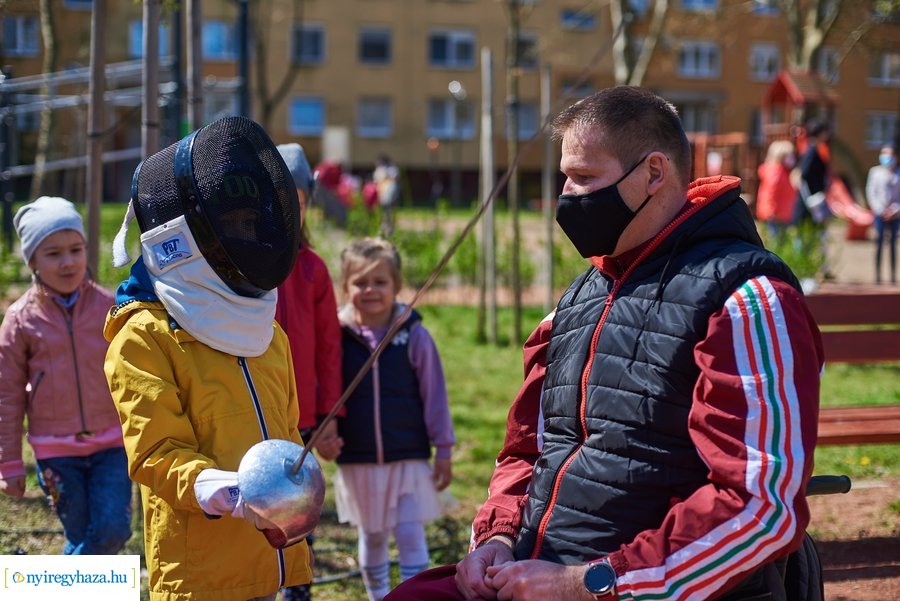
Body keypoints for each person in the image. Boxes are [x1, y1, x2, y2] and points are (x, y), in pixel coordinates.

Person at [387, 86, 824, 601]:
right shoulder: (577, 300)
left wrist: (590, 584)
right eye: (565, 177)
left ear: (653, 174)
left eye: (586, 178)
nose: (568, 195)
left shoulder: (747, 300)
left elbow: (759, 509)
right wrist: (498, 536)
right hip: (532, 570)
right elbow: (529, 449)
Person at [104, 116, 313, 601]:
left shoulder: (267, 331)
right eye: (232, 225)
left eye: (250, 222)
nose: (246, 236)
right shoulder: (143, 337)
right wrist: (217, 487)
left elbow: (287, 432)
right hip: (201, 571)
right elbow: (154, 452)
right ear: (186, 237)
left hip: (271, 557)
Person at [0, 196, 132, 556]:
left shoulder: (110, 307)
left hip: (111, 446)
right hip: (55, 452)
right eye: (53, 253)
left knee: (113, 532)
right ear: (32, 261)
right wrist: (10, 463)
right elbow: (7, 396)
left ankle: (48, 587)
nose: (68, 262)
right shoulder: (20, 320)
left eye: (75, 249)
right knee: (81, 534)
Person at [335, 237, 456, 601]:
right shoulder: (337, 336)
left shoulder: (413, 335)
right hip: (359, 457)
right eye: (360, 282)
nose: (370, 290)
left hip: (408, 457)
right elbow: (326, 389)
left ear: (397, 285)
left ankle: (411, 596)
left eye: (380, 281)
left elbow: (434, 395)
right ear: (345, 287)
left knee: (409, 532)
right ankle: (377, 595)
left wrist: (444, 448)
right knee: (371, 534)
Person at [275, 142, 344, 601]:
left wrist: (328, 416)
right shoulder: (236, 269)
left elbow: (327, 349)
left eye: (294, 203)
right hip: (249, 413)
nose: (284, 212)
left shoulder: (313, 271)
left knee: (298, 516)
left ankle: (297, 590)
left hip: (299, 419)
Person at [865, 145, 900, 284]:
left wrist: (895, 210)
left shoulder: (898, 174)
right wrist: (880, 209)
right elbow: (871, 192)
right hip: (879, 213)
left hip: (895, 215)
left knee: (893, 244)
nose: (887, 157)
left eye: (889, 155)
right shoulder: (875, 172)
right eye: (884, 154)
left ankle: (892, 275)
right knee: (878, 242)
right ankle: (877, 275)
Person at [756, 139, 798, 242]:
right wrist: (771, 212)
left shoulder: (783, 171)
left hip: (782, 214)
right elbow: (770, 194)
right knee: (776, 242)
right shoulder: (776, 172)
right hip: (775, 215)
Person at [373, 154, 400, 236]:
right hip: (381, 194)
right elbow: (376, 181)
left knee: (390, 212)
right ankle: (383, 227)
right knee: (382, 212)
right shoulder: (379, 170)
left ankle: (391, 228)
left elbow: (395, 179)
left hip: (391, 194)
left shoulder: (392, 169)